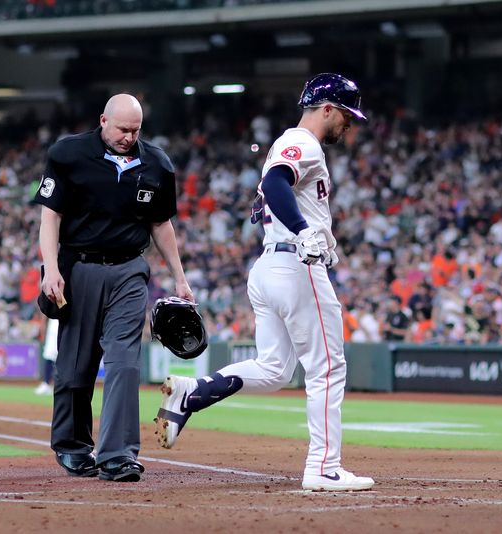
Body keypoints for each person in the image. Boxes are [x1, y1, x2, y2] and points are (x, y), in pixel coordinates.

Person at [155, 73, 374, 491]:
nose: (350, 123)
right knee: (328, 368)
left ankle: (191, 393)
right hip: (294, 267)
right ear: (326, 108)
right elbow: (275, 182)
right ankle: (324, 467)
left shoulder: (296, 144)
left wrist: (316, 236)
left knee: (274, 369)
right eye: (346, 114)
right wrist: (305, 231)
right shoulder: (303, 142)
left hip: (271, 267)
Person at [34, 93, 193, 482]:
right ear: (103, 120)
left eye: (135, 130)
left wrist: (179, 276)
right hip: (79, 268)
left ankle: (118, 455)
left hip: (128, 271)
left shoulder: (157, 163)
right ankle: (72, 446)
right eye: (122, 129)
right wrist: (50, 269)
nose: (128, 136)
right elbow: (50, 215)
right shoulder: (68, 153)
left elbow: (160, 225)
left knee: (124, 362)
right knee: (74, 366)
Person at [34, 317, 58, 395]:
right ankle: (47, 383)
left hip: (59, 324)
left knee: (50, 356)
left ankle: (47, 384)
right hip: (55, 323)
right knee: (49, 355)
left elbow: (61, 305)